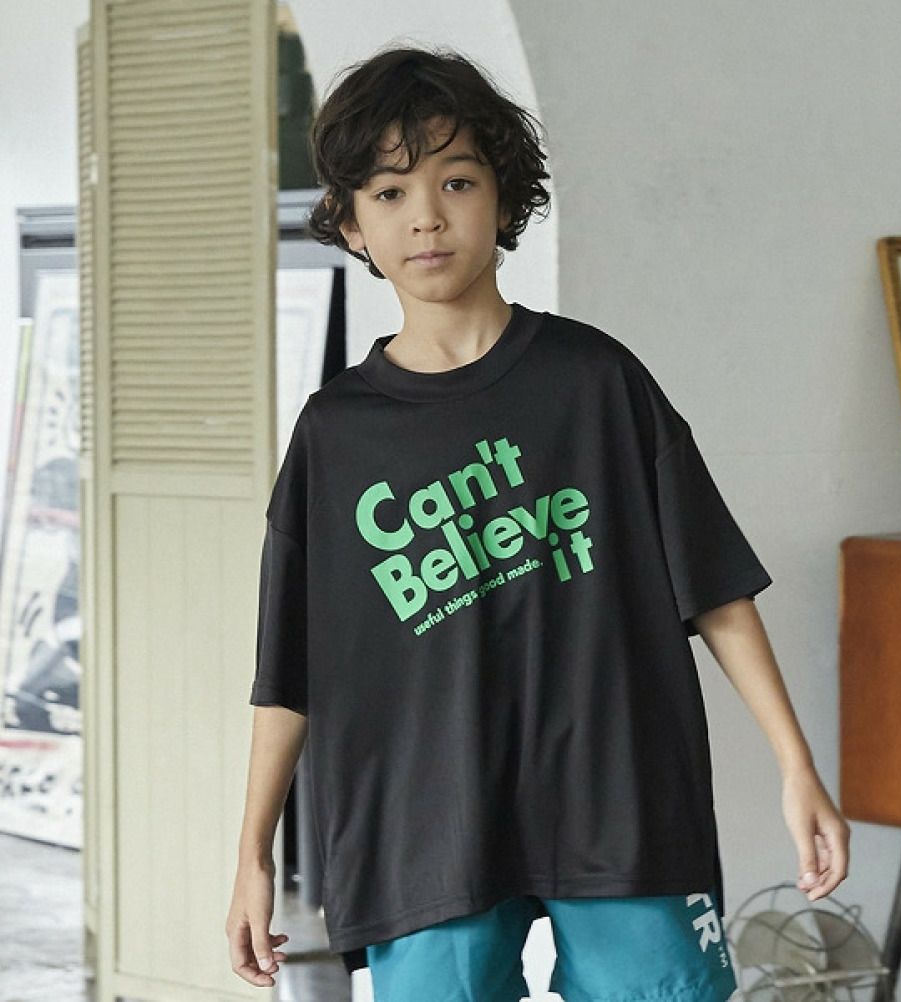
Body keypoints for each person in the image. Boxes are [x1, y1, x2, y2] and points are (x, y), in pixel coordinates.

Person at [225, 43, 850, 1002]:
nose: (426, 216)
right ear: (351, 223)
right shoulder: (335, 435)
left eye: (456, 180)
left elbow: (715, 586)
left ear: (503, 197)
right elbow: (288, 669)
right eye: (389, 193)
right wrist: (253, 854)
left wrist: (795, 764)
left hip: (621, 805)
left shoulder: (597, 382)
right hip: (419, 833)